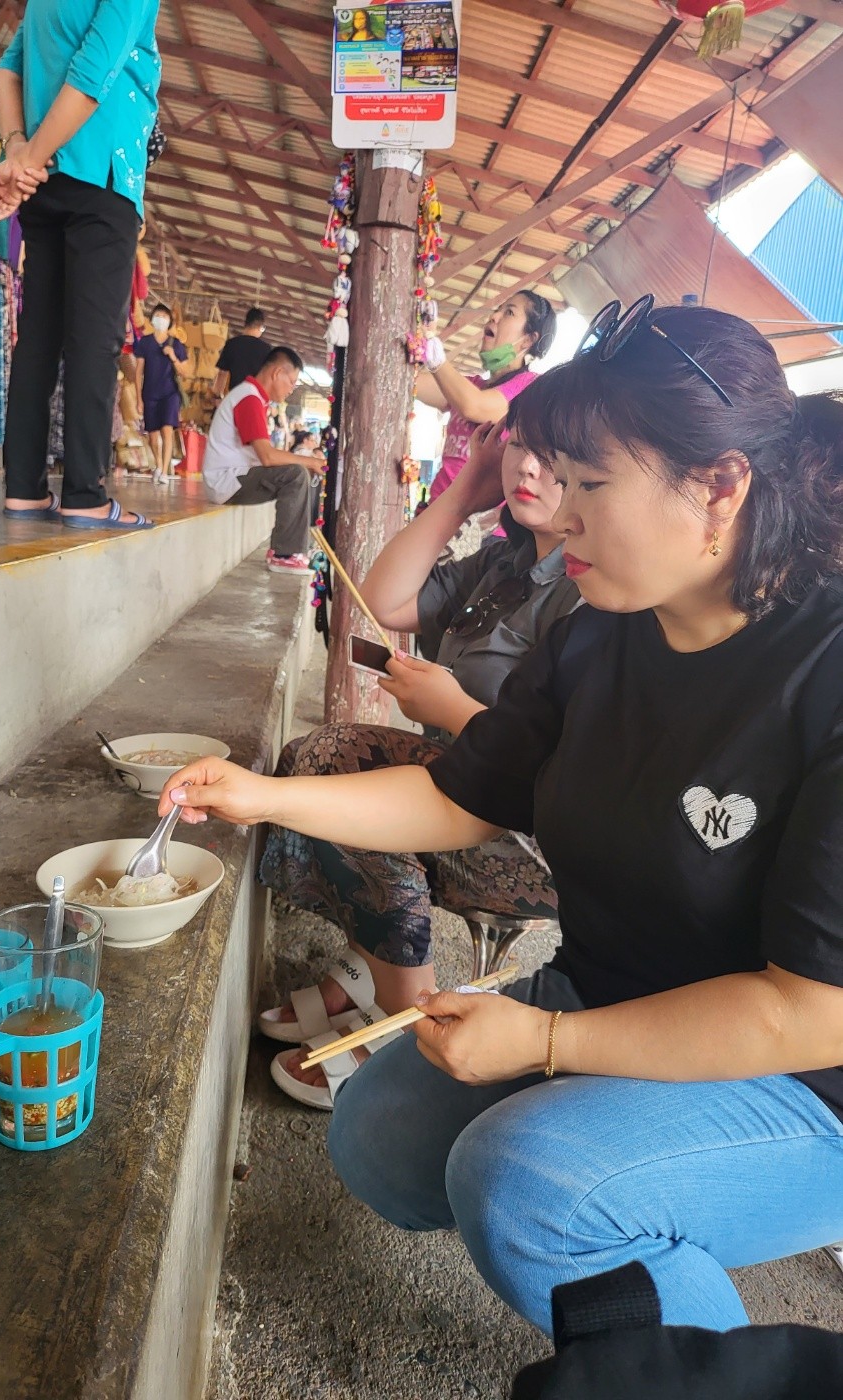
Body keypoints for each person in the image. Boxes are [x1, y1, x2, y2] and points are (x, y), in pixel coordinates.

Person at [158, 300, 843, 1335]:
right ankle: (631, 1228)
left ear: (720, 486)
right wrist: (259, 794)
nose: (558, 517)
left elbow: (809, 1010)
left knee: (526, 1182)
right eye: (556, 480)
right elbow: (459, 794)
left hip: (801, 1075)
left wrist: (551, 1040)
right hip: (613, 987)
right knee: (380, 1135)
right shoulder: (599, 631)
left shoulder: (823, 670)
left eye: (590, 485)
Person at [257, 414, 579, 1108]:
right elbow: (382, 600)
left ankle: (406, 1014)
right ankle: (373, 967)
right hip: (464, 787)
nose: (528, 467)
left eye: (553, 455)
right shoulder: (500, 565)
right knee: (315, 759)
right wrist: (463, 491)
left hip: (527, 837)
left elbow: (569, 767)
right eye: (520, 446)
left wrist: (456, 708)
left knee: (336, 761)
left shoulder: (587, 593)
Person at [0, 0, 159, 530]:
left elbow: (7, 71)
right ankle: (85, 495)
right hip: (103, 174)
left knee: (39, 336)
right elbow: (93, 73)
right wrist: (29, 159)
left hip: (44, 184)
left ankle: (24, 489)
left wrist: (18, 153)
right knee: (93, 342)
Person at [418, 291, 556, 504]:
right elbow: (414, 383)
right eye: (497, 310)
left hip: (482, 522)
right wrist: (420, 337)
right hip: (438, 509)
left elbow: (473, 406)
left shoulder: (528, 386)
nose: (494, 317)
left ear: (528, 340)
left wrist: (435, 357)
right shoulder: (472, 386)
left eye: (509, 312)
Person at [202, 347, 325, 575]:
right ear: (277, 373)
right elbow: (267, 457)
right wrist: (309, 461)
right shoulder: (248, 399)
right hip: (226, 481)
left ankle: (299, 546)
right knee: (296, 474)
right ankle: (284, 554)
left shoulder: (254, 397)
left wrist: (308, 463)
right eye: (292, 382)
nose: (292, 389)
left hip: (236, 477)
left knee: (302, 472)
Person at [133, 303, 188, 484]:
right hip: (150, 394)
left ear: (170, 321)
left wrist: (173, 357)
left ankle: (164, 471)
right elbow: (138, 372)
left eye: (165, 316)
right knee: (153, 436)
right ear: (152, 318)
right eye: (158, 315)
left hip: (170, 394)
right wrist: (138, 398)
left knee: (167, 430)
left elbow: (185, 372)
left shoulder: (176, 344)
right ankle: (158, 464)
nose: (161, 319)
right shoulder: (144, 342)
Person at [214, 308, 273, 397]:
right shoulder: (266, 349)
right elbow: (267, 378)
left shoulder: (232, 344)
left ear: (245, 323)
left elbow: (222, 373)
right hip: (254, 397)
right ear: (261, 327)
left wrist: (217, 395)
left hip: (234, 395)